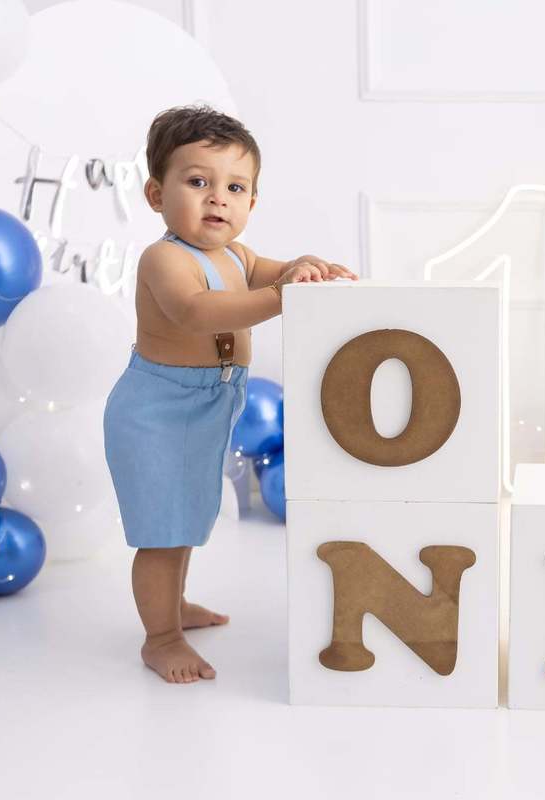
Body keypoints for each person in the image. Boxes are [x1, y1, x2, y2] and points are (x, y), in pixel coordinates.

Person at [103, 105, 356, 684]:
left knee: (187, 519)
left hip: (207, 406)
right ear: (154, 193)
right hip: (156, 411)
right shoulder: (165, 258)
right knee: (162, 534)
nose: (218, 198)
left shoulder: (238, 256)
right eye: (198, 182)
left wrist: (300, 267)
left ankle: (176, 605)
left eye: (234, 187)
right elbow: (196, 312)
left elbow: (271, 270)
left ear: (251, 203)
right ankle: (160, 636)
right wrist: (280, 299)